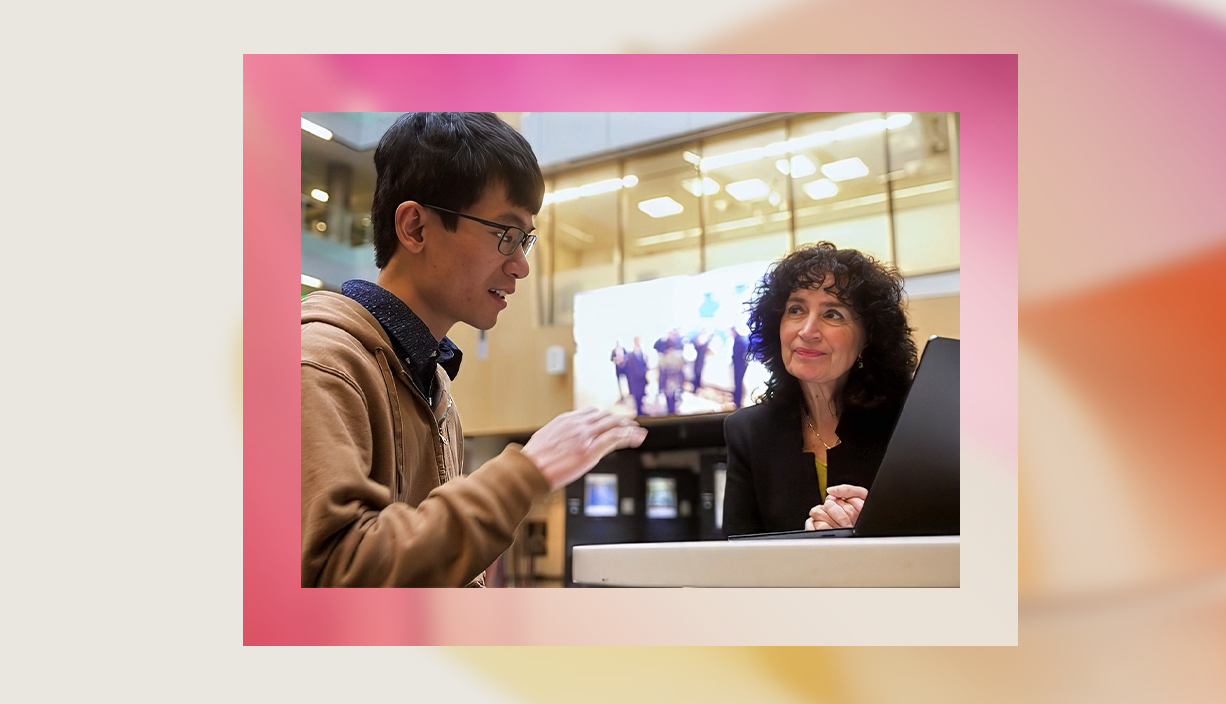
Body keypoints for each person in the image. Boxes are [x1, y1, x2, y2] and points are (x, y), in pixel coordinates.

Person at [301, 113, 646, 587]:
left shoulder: (431, 376)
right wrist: (524, 472)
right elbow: (337, 573)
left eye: (525, 239)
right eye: (505, 234)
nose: (522, 266)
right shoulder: (321, 362)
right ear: (416, 228)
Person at [721, 243, 917, 537]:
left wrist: (875, 530)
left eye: (833, 314)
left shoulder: (912, 421)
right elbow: (736, 559)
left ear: (869, 337)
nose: (808, 331)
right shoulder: (748, 432)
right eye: (796, 309)